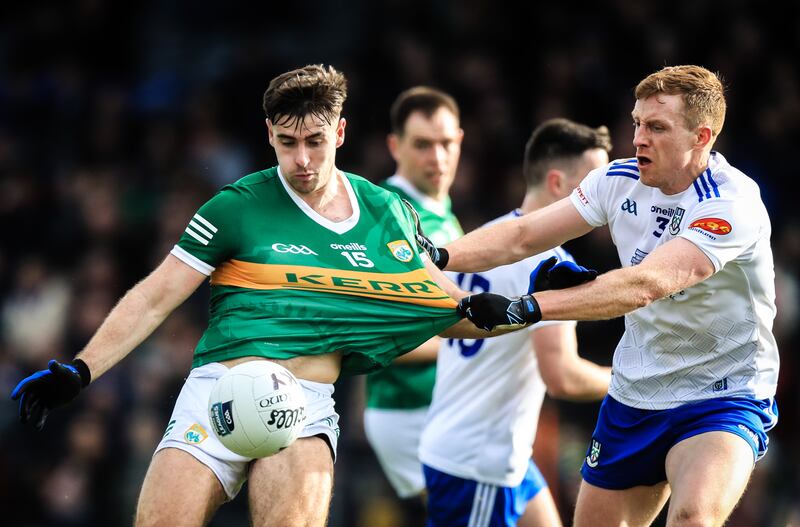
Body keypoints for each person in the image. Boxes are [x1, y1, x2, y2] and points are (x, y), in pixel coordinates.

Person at [9, 64, 557, 527]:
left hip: (303, 408)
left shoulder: (386, 212)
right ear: (269, 133)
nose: (302, 160)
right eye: (287, 142)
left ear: (339, 134)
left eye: (315, 142)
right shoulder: (236, 206)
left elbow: (445, 308)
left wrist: (524, 308)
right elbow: (155, 296)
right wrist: (81, 370)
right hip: (216, 392)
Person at [429, 65, 780, 527]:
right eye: (636, 123)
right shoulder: (618, 180)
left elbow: (645, 284)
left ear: (702, 136)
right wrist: (436, 255)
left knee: (693, 517)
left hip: (721, 393)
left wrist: (526, 308)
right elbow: (521, 234)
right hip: (635, 395)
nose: (637, 138)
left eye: (656, 127)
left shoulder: (731, 204)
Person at [419, 118, 613, 527]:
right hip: (479, 461)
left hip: (487, 447)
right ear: (560, 184)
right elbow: (561, 375)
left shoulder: (488, 237)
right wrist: (625, 379)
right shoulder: (553, 265)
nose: (609, 194)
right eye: (598, 182)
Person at [363, 86, 465, 504]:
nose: (437, 158)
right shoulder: (390, 217)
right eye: (422, 145)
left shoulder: (438, 212)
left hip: (444, 406)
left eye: (445, 143)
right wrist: (477, 343)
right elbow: (376, 334)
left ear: (460, 141)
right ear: (395, 146)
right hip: (410, 408)